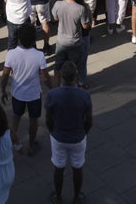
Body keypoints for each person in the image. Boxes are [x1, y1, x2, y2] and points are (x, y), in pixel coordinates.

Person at [45, 60, 92, 204]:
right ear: (76, 77)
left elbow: (48, 119)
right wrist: (83, 132)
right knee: (78, 168)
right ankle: (77, 197)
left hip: (58, 137)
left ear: (61, 77)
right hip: (78, 137)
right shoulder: (84, 95)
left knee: (58, 168)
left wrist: (53, 131)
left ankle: (58, 198)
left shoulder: (52, 94)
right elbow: (89, 121)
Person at [0, 22, 49, 156]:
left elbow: (5, 75)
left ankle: (11, 143)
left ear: (20, 38)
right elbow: (45, 78)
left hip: (17, 93)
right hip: (34, 95)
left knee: (15, 118)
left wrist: (3, 90)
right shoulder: (39, 55)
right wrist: (53, 88)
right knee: (34, 120)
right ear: (34, 39)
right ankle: (31, 145)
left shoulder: (11, 54)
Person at [51, 0, 91, 87]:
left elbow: (55, 18)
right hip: (75, 43)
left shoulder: (58, 4)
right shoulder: (81, 9)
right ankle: (75, 88)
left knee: (57, 68)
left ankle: (56, 89)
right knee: (75, 67)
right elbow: (85, 26)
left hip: (61, 42)